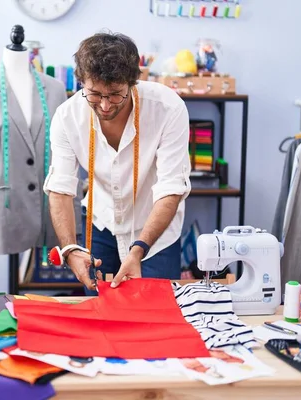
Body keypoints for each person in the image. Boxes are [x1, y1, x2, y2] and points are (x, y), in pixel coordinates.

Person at [43, 32, 191, 294]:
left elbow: (171, 188)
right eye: (94, 94)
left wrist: (139, 249)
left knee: (155, 316)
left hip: (155, 231)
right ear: (82, 82)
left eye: (115, 94)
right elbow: (61, 188)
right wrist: (69, 249)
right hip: (102, 222)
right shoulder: (67, 117)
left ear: (133, 83)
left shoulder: (168, 108)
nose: (105, 105)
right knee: (100, 311)